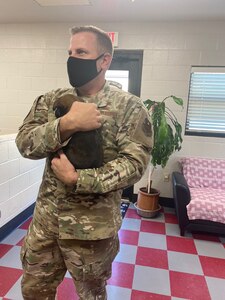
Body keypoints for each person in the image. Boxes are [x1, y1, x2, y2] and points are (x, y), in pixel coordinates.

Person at [16, 25, 152, 300]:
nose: (72, 59)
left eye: (81, 52)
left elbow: (134, 164)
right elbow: (25, 144)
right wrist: (65, 125)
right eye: (70, 52)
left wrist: (79, 180)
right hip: (46, 227)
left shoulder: (130, 108)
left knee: (91, 295)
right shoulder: (51, 100)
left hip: (92, 234)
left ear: (104, 60)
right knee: (34, 292)